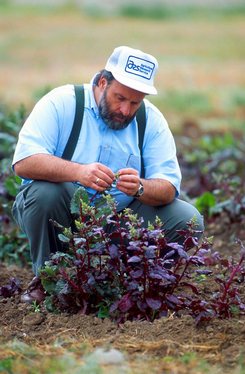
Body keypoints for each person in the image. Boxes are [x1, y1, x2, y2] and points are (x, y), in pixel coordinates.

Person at [12, 46, 204, 303]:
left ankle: (129, 285)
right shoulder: (62, 103)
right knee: (45, 192)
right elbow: (24, 161)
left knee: (188, 219)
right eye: (120, 98)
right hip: (61, 217)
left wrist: (140, 188)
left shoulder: (151, 121)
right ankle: (49, 282)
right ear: (103, 82)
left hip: (118, 222)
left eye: (135, 102)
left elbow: (168, 186)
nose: (125, 110)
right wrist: (78, 172)